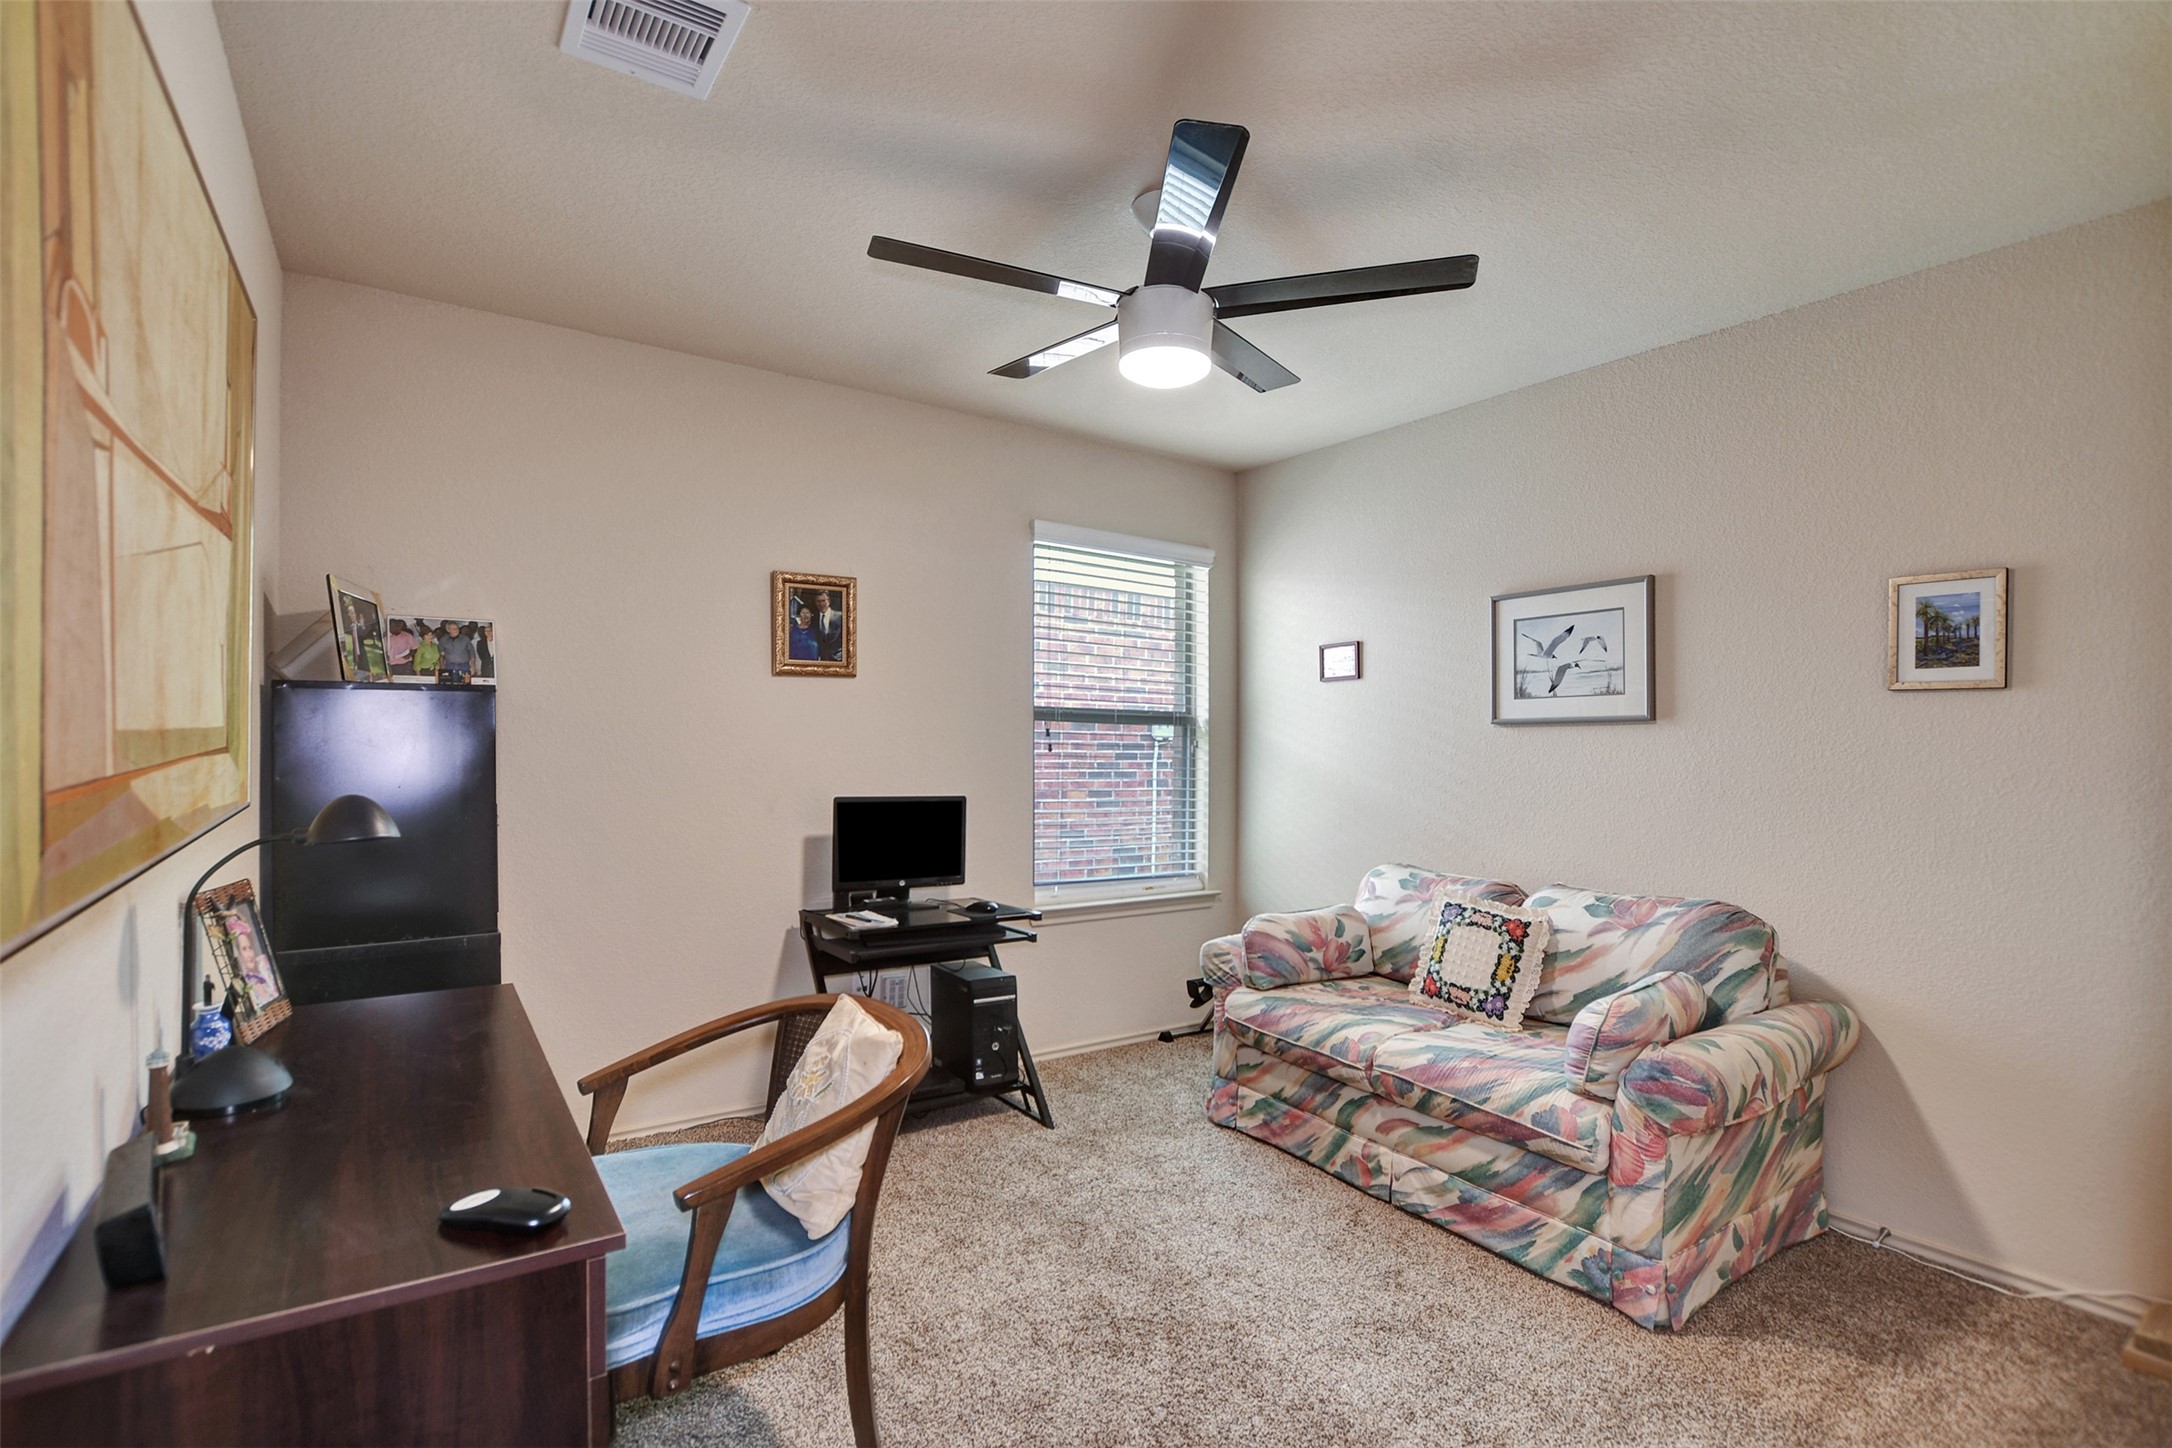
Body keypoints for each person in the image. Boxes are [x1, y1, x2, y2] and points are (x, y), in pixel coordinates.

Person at [812, 590, 844, 661]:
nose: (821, 604)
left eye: (823, 601)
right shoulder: (814, 618)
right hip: (822, 660)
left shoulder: (840, 617)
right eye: (818, 601)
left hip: (838, 659)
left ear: (829, 601)